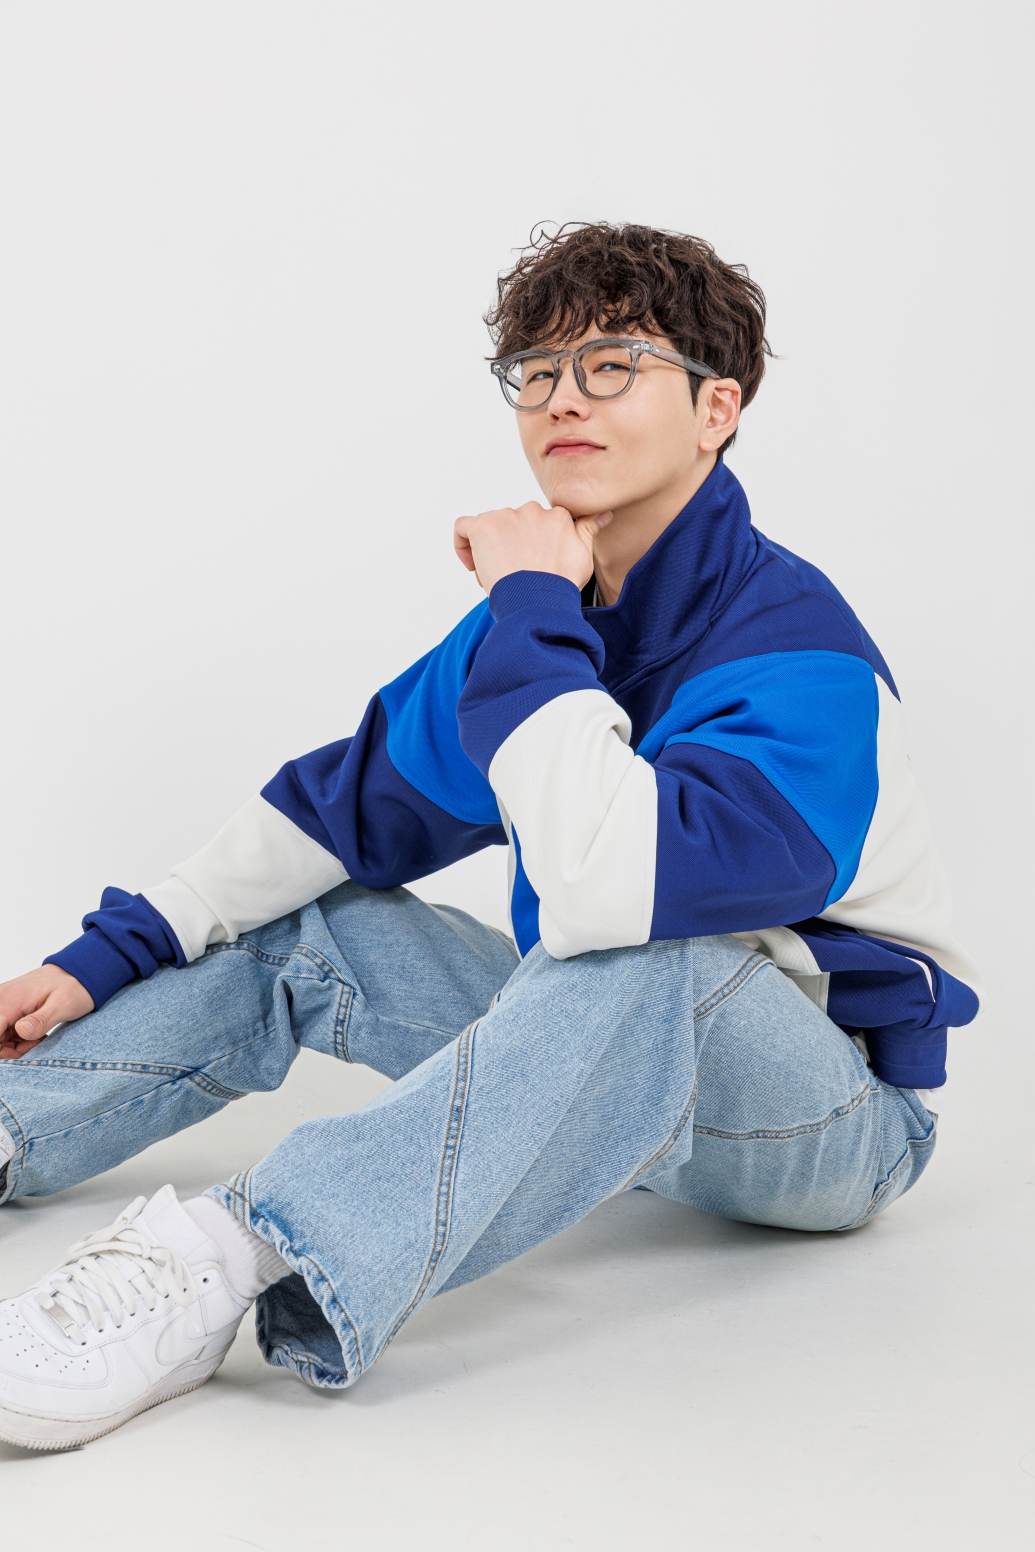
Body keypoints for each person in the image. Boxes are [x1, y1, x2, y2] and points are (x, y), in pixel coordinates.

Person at [0, 223, 980, 1450]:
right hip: (596, 1061)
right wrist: (110, 952)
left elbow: (607, 893)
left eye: (613, 365)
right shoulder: (545, 626)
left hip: (828, 1123)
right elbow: (337, 810)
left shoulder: (798, 655)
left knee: (647, 952)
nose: (563, 399)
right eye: (539, 371)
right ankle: (16, 1122)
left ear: (716, 409)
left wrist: (528, 603)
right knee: (323, 928)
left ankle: (228, 1256)